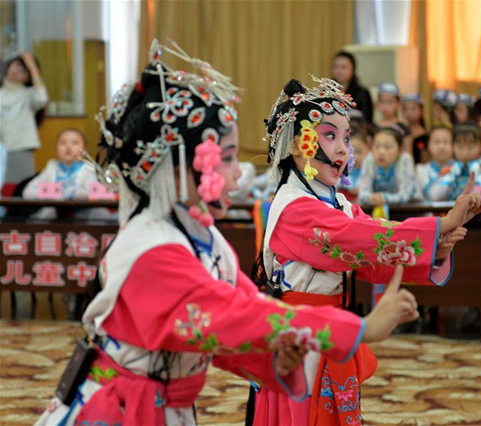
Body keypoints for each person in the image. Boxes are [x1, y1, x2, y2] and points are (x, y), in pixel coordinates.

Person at [36, 40, 418, 426]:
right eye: (229, 158)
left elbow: (230, 322)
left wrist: (272, 357)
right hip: (119, 408)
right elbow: (234, 315)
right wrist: (358, 329)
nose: (239, 173)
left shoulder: (206, 240)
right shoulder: (150, 249)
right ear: (182, 165)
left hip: (165, 404)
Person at [250, 76, 481, 425]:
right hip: (300, 336)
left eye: (346, 137)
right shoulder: (294, 207)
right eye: (330, 136)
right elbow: (357, 239)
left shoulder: (335, 202)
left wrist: (436, 245)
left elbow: (371, 244)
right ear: (301, 146)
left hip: (332, 328)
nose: (345, 149)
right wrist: (440, 226)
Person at [0, 52, 48, 183]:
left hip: (21, 149)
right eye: (16, 66)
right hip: (1, 148)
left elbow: (42, 99)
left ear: (28, 77)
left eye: (23, 71)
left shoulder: (28, 94)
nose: (17, 71)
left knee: (20, 189)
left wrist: (32, 66)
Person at [358, 126, 422, 206]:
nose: (381, 152)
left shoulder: (405, 160)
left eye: (387, 147)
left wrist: (384, 198)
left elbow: (405, 195)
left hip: (410, 210)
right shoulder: (369, 159)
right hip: (377, 210)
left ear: (400, 150)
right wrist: (371, 198)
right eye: (377, 146)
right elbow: (362, 193)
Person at [331, 51, 373, 124]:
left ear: (353, 69)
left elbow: (367, 121)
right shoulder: (327, 90)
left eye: (343, 67)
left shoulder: (362, 93)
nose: (339, 71)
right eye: (336, 67)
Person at [416, 125, 456, 201]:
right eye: (436, 142)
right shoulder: (421, 170)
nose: (441, 146)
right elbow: (430, 196)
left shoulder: (462, 167)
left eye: (446, 142)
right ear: (428, 145)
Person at [402, 93, 429, 164]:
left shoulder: (425, 135)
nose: (409, 112)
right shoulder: (401, 131)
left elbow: (425, 160)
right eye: (406, 109)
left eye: (413, 109)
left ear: (422, 111)